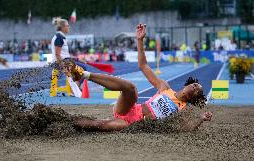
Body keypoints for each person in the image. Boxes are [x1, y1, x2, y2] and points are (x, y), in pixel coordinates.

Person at [62, 24, 213, 132]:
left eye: (198, 90)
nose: (195, 87)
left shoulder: (183, 109)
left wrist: (200, 119)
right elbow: (143, 66)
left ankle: (63, 122)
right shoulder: (165, 88)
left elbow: (184, 128)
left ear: (195, 97)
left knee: (97, 125)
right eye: (195, 85)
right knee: (131, 88)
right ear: (188, 84)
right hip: (130, 108)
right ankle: (84, 74)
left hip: (133, 124)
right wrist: (140, 41)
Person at [51, 17, 85, 87]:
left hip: (65, 61)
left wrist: (78, 59)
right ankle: (75, 88)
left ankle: (75, 87)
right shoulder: (59, 38)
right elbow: (57, 55)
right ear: (62, 27)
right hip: (60, 63)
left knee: (82, 67)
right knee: (83, 69)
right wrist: (63, 67)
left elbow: (65, 55)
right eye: (67, 26)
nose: (69, 27)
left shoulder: (61, 37)